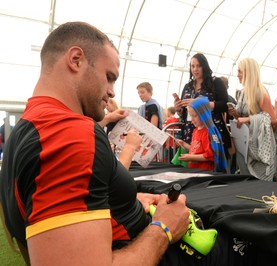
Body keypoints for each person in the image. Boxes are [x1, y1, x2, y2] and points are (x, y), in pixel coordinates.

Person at [0, 21, 190, 265]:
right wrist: (164, 228)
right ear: (76, 60)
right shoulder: (68, 133)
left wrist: (125, 202)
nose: (112, 91)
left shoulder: (28, 126)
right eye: (109, 77)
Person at [174, 53, 231, 159]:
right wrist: (179, 109)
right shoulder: (188, 86)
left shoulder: (216, 82)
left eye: (198, 66)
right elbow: (185, 112)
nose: (195, 69)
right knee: (193, 164)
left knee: (210, 162)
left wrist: (201, 104)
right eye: (192, 66)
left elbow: (224, 105)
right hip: (191, 132)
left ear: (204, 66)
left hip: (211, 131)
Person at [228, 58, 277, 181]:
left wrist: (247, 119)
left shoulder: (261, 92)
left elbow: (272, 119)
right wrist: (236, 115)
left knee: (260, 181)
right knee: (246, 179)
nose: (237, 74)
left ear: (248, 72)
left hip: (260, 146)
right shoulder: (243, 92)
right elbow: (242, 119)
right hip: (245, 143)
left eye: (240, 71)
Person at [177, 97, 227, 173]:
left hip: (204, 173)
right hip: (195, 171)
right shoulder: (196, 131)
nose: (192, 119)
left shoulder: (208, 132)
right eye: (191, 116)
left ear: (204, 114)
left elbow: (210, 155)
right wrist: (184, 145)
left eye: (195, 116)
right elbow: (196, 149)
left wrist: (191, 157)